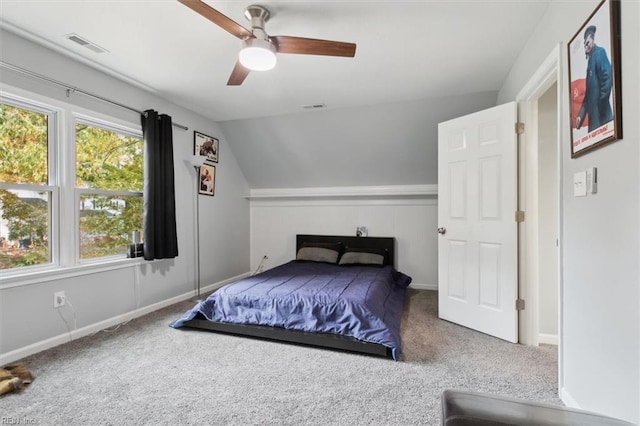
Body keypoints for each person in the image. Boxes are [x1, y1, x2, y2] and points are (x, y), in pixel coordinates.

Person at [575, 25, 613, 132]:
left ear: (592, 39)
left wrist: (601, 106)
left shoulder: (600, 53)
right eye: (584, 45)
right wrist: (580, 116)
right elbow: (588, 96)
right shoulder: (590, 62)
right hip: (594, 122)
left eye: (587, 43)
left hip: (602, 119)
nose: (586, 47)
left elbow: (607, 78)